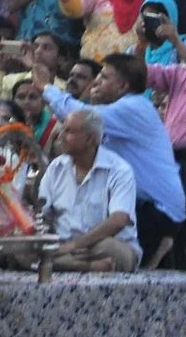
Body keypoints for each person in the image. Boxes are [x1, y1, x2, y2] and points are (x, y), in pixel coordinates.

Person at [38, 108, 141, 273]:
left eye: (69, 131)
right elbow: (41, 213)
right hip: (63, 245)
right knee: (24, 249)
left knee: (114, 250)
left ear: (90, 139)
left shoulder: (119, 170)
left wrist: (75, 245)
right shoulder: (56, 167)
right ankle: (89, 267)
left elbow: (119, 220)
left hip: (99, 245)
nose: (60, 136)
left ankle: (54, 264)